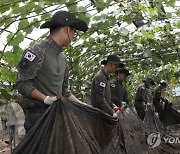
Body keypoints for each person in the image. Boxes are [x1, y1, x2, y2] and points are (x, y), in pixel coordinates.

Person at [16, 11, 88, 132]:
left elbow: (64, 91)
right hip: (38, 122)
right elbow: (22, 83)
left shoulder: (62, 59)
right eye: (74, 31)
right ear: (66, 29)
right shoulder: (36, 51)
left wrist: (82, 105)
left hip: (58, 119)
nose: (74, 35)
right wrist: (45, 99)